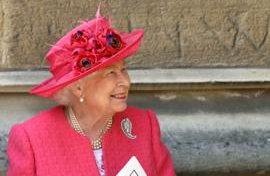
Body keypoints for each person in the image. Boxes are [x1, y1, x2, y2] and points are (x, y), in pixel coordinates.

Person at [7, 10, 176, 175]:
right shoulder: (32, 138)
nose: (125, 81)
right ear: (79, 87)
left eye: (123, 69)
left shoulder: (144, 125)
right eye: (111, 73)